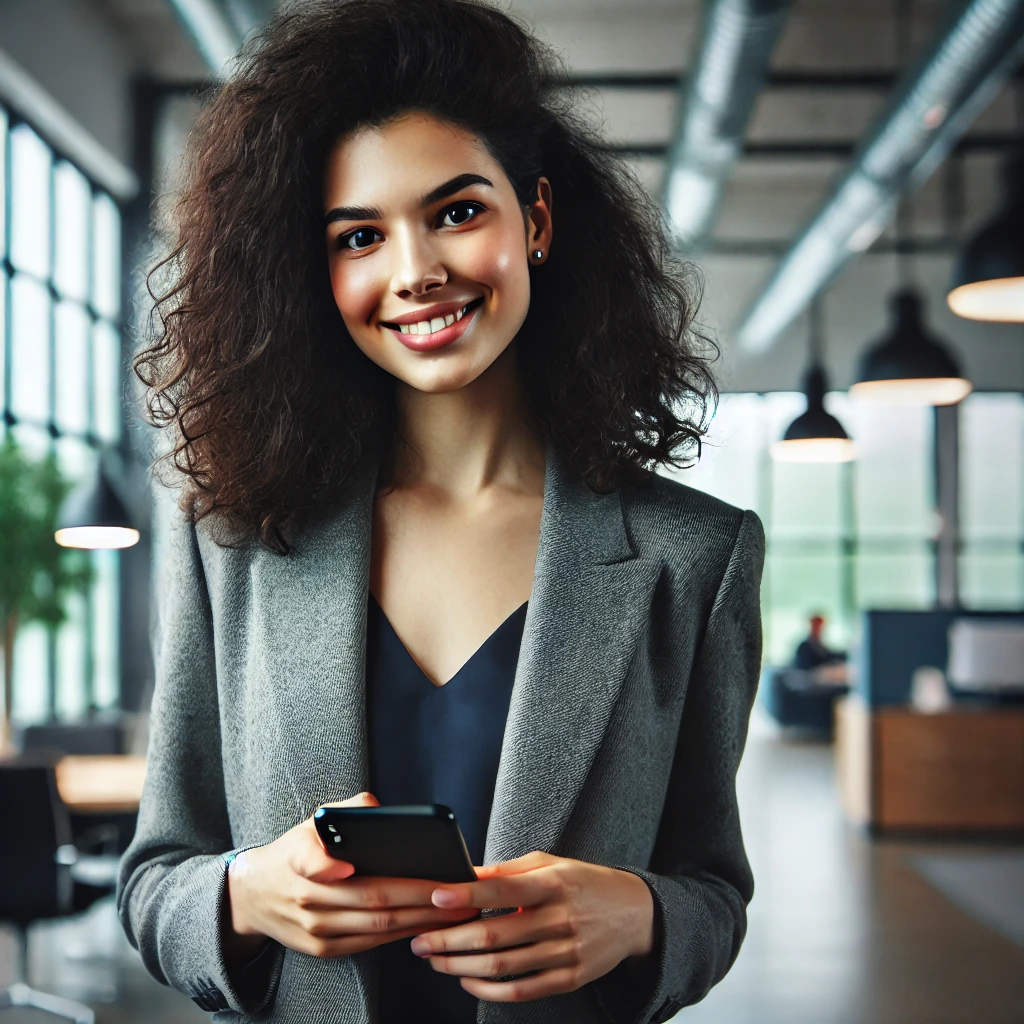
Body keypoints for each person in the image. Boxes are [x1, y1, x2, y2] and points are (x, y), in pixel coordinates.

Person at [115, 1, 765, 1021]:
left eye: (457, 211)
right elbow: (156, 879)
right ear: (311, 274)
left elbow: (712, 890)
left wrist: (639, 913)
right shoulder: (231, 542)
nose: (414, 269)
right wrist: (246, 894)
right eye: (359, 235)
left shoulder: (696, 556)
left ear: (536, 220)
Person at [793, 613, 848, 683]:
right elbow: (805, 668)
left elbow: (831, 656)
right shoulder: (804, 647)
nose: (820, 629)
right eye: (817, 626)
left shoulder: (819, 645)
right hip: (809, 681)